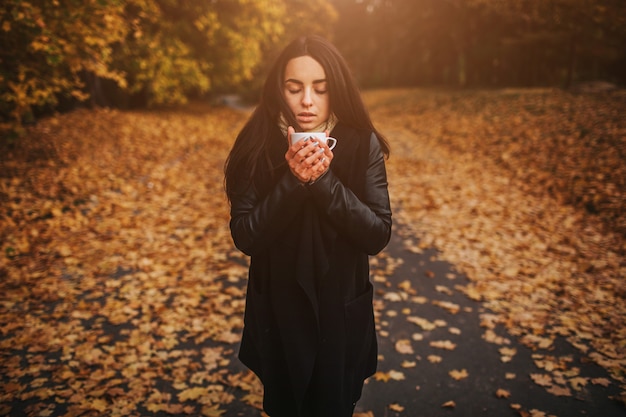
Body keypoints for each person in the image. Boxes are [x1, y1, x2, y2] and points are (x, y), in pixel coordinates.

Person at [224, 35, 392, 417]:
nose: (307, 101)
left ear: (337, 90)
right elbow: (246, 235)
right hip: (279, 311)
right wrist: (293, 183)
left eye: (321, 88)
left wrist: (321, 182)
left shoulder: (360, 143)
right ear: (278, 89)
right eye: (294, 87)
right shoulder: (255, 143)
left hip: (341, 309)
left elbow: (377, 233)